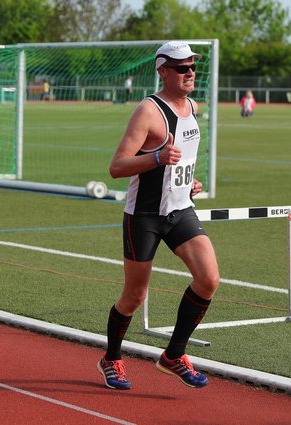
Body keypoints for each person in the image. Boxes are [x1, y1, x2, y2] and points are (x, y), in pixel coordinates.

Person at [98, 41, 220, 390]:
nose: (190, 72)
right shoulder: (148, 112)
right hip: (145, 216)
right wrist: (156, 158)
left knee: (208, 279)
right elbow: (117, 167)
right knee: (134, 296)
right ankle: (111, 358)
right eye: (182, 68)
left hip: (180, 210)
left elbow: (180, 158)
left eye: (192, 66)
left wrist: (188, 180)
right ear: (163, 71)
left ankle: (173, 356)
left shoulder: (193, 106)